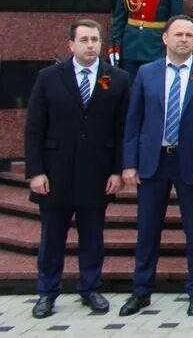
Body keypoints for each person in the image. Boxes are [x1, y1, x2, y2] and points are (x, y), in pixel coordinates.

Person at [25, 19, 131, 319]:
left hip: (96, 173)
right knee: (52, 237)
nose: (90, 45)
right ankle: (47, 293)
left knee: (93, 236)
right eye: (84, 40)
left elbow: (123, 128)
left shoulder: (118, 78)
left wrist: (116, 170)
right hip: (54, 173)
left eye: (95, 39)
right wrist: (35, 171)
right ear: (70, 44)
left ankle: (90, 288)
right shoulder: (48, 77)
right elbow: (34, 128)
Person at [118, 16, 193, 316]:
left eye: (189, 35)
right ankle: (141, 291)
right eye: (178, 34)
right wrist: (129, 163)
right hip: (153, 161)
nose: (184, 39)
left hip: (190, 163)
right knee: (147, 230)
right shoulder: (146, 74)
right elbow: (133, 121)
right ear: (165, 38)